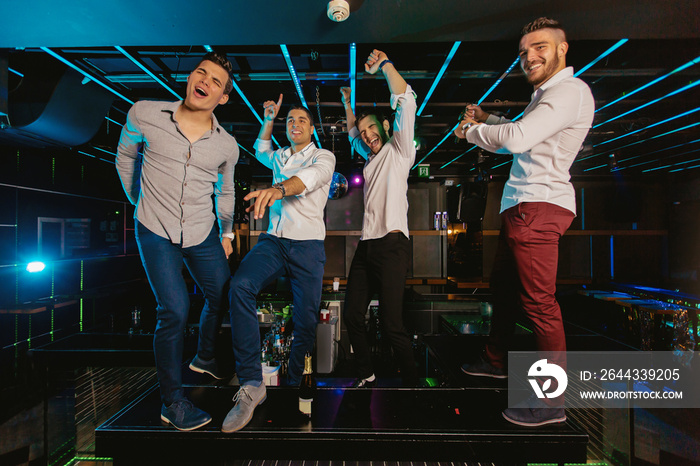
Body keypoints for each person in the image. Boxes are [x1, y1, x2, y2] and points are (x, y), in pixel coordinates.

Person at [454, 17, 594, 426]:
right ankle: (496, 362)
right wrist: (489, 121)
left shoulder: (569, 91)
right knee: (504, 289)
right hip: (523, 207)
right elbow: (522, 136)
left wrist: (473, 131)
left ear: (562, 49)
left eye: (540, 47)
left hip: (539, 206)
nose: (530, 56)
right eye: (524, 51)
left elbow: (516, 140)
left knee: (539, 305)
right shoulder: (546, 96)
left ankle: (551, 404)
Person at [115, 52, 238, 431]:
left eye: (216, 81)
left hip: (202, 231)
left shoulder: (227, 146)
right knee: (175, 309)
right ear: (190, 77)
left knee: (223, 293)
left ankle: (203, 356)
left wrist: (228, 232)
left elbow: (227, 190)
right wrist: (140, 202)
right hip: (155, 228)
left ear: (223, 98)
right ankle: (173, 402)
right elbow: (124, 156)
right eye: (201, 72)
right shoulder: (144, 113)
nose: (205, 81)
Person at [222, 95, 335, 433]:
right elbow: (259, 147)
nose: (294, 124)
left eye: (300, 120)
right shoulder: (279, 156)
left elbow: (311, 178)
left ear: (311, 127)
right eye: (290, 121)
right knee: (240, 286)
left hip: (308, 246)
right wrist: (269, 117)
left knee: (305, 320)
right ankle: (252, 385)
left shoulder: (322, 155)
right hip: (274, 239)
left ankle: (294, 381)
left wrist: (279, 189)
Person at [340, 49, 417, 388]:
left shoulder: (400, 150)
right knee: (352, 313)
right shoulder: (369, 157)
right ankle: (365, 373)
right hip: (367, 245)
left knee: (391, 323)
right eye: (365, 132)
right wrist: (348, 107)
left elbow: (406, 99)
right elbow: (354, 135)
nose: (368, 136)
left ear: (386, 125)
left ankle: (414, 382)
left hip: (392, 244)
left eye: (373, 128)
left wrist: (386, 64)